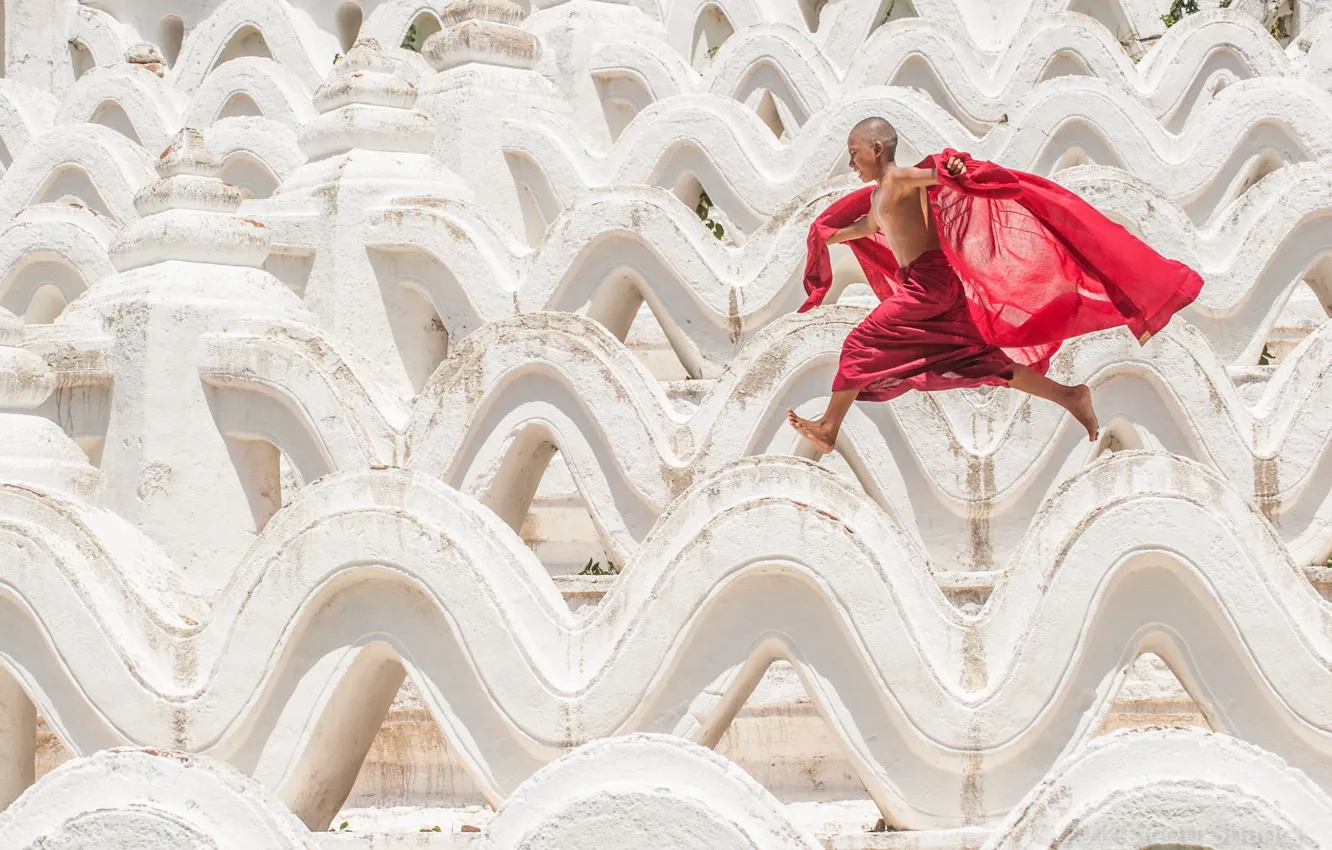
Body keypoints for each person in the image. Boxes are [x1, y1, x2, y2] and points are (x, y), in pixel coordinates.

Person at [786, 117, 1203, 454]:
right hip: (932, 286)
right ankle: (1070, 396)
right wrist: (830, 234)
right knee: (979, 360)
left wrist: (949, 169)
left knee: (862, 343)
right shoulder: (881, 195)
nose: (851, 163)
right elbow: (869, 226)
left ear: (876, 150)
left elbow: (932, 176)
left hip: (928, 286)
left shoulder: (897, 181)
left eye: (854, 153)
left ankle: (828, 427)